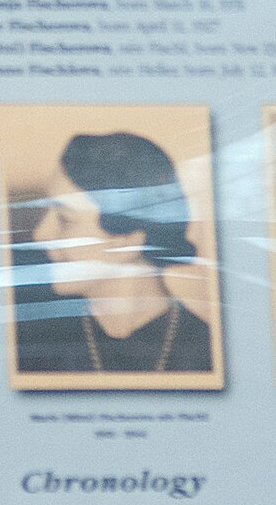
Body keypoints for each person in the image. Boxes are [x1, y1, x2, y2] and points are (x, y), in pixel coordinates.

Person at [14, 130, 214, 376]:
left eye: (65, 219)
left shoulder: (206, 352)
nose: (40, 234)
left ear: (127, 240)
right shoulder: (31, 345)